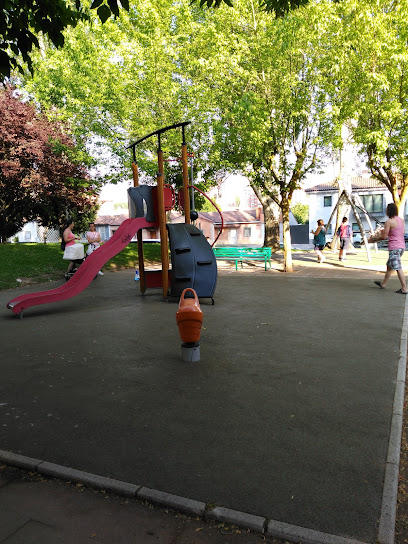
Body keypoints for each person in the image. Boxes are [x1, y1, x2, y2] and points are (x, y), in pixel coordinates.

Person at [374, 203, 407, 294]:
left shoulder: (388, 222)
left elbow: (384, 237)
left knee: (398, 267)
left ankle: (404, 288)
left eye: (386, 209)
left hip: (394, 248)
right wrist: (386, 230)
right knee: (389, 266)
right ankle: (383, 284)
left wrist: (374, 238)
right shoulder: (401, 220)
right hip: (401, 247)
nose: (386, 211)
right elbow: (401, 233)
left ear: (389, 211)